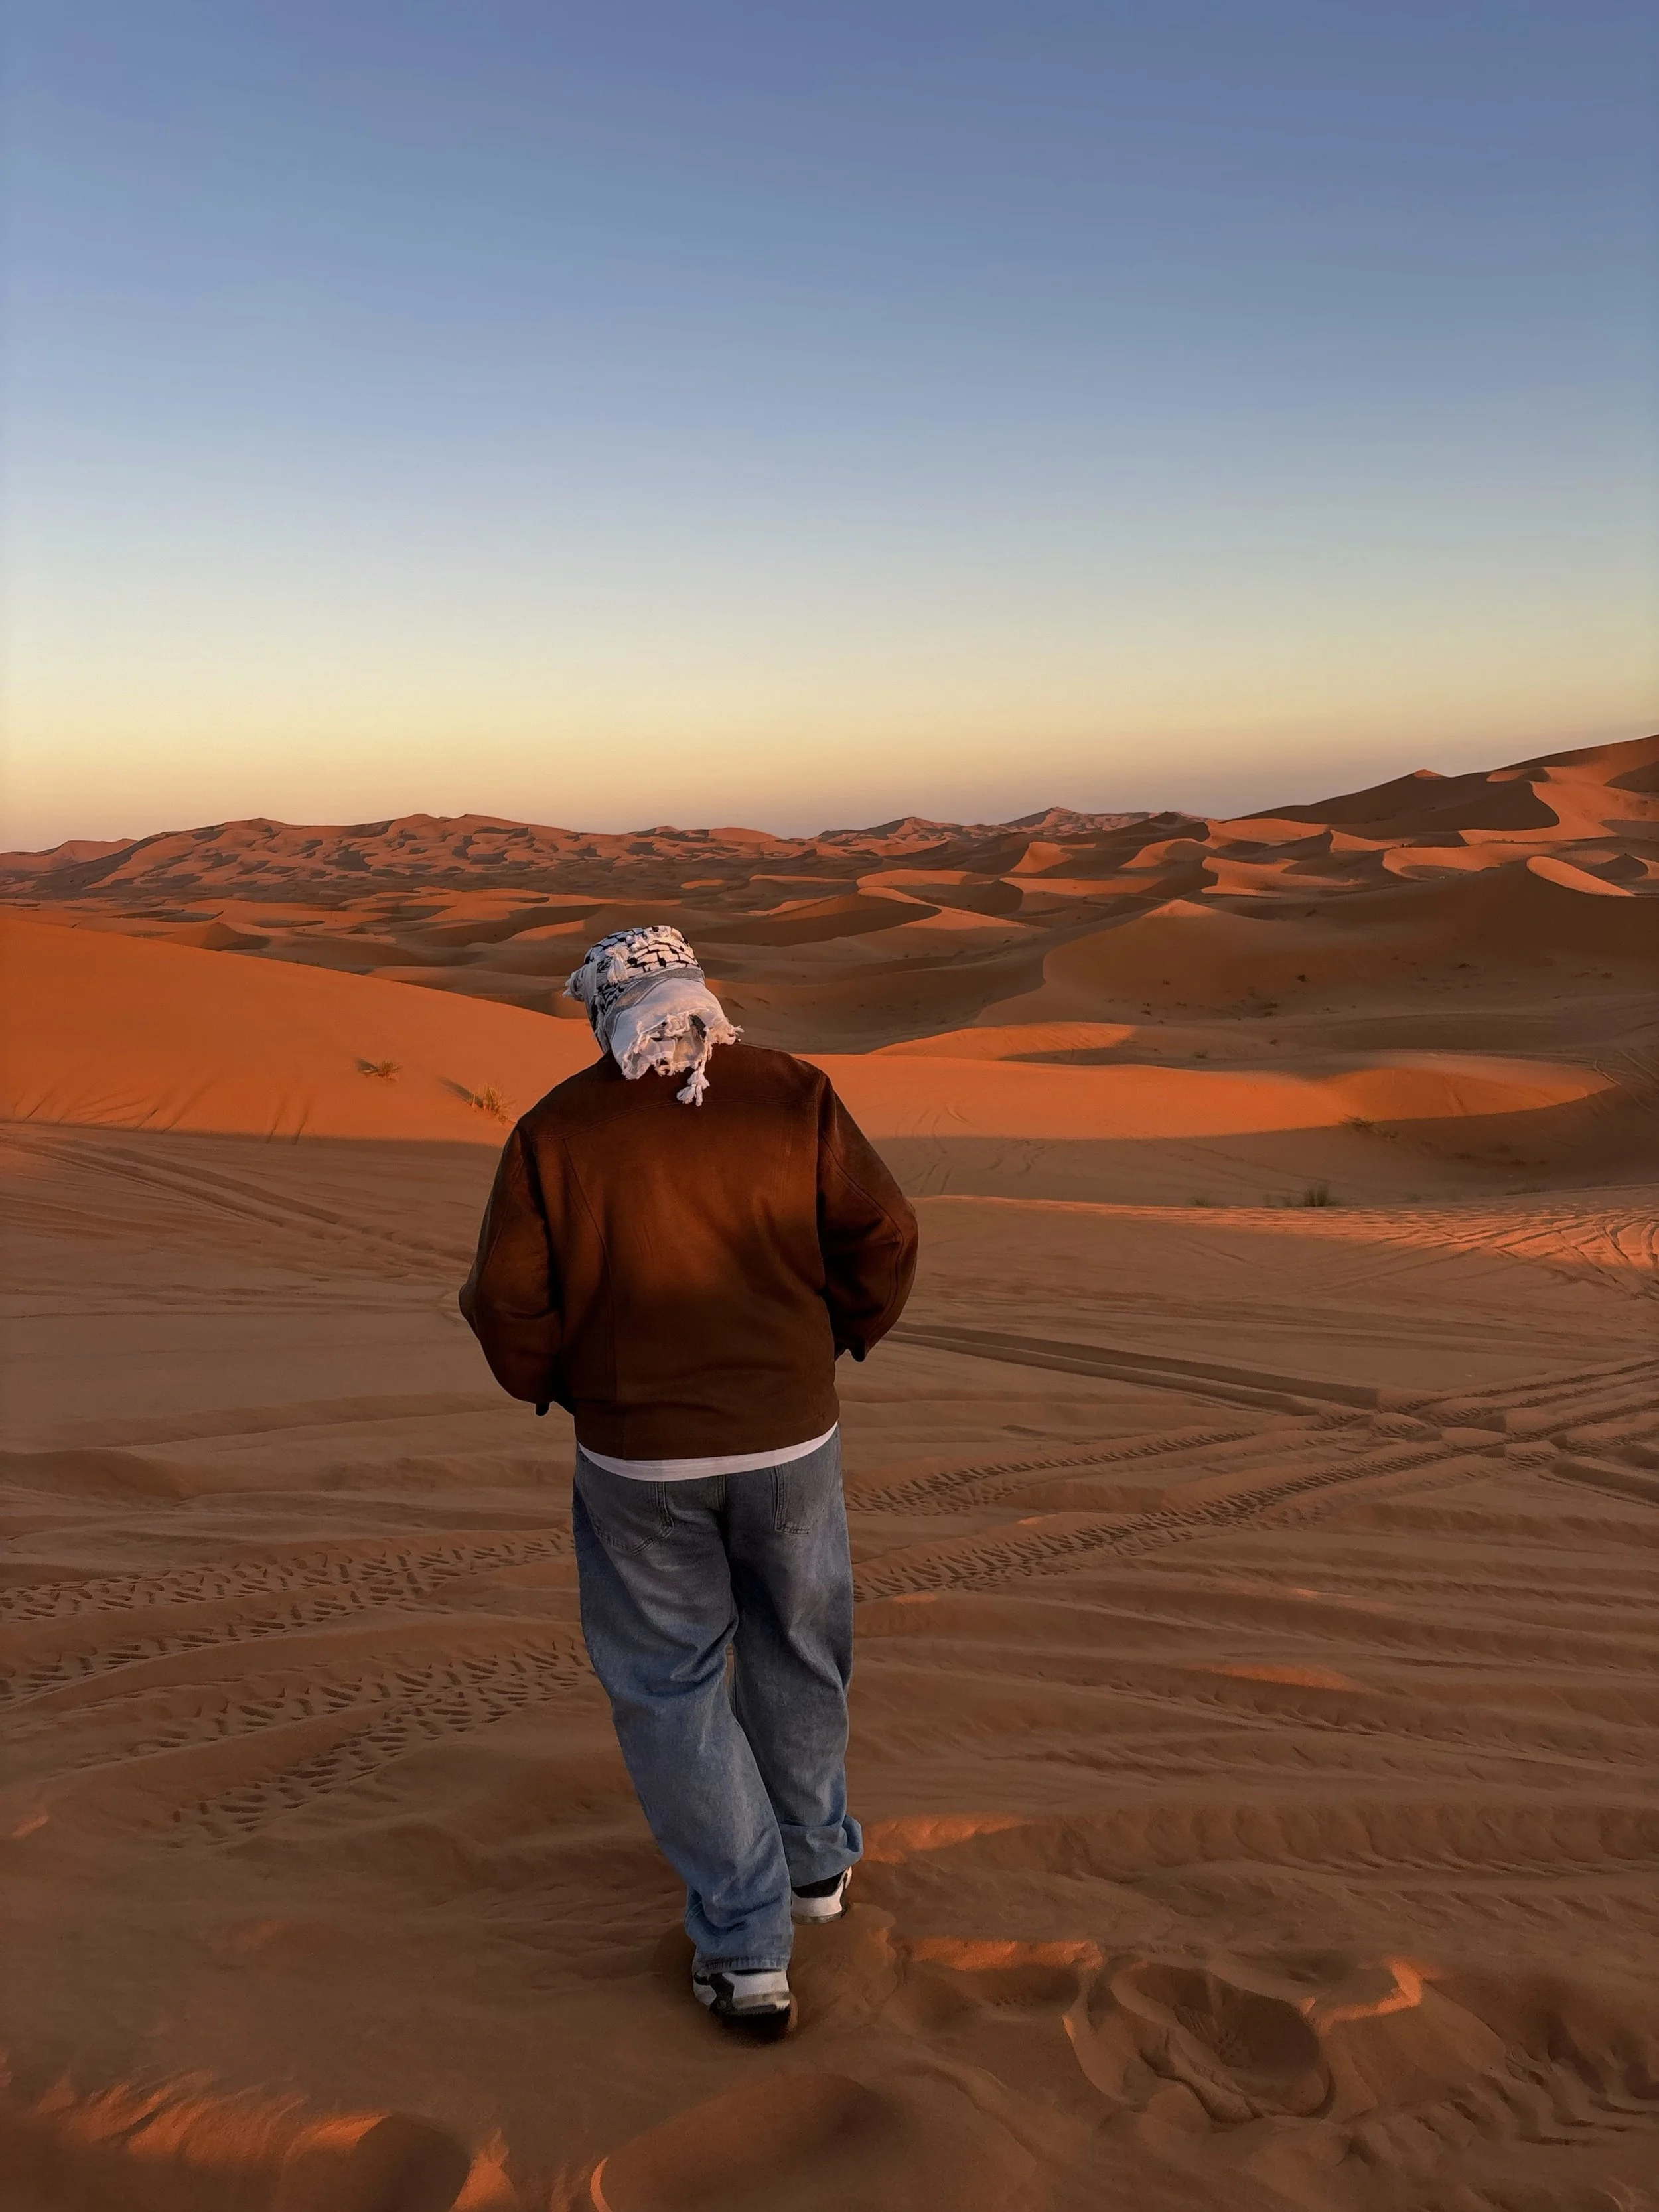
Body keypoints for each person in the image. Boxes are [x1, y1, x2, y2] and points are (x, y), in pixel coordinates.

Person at [459, 924, 918, 2041]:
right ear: (702, 996)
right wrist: (834, 1339)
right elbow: (884, 1235)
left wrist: (572, 1387)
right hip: (790, 1437)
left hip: (638, 1456)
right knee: (800, 1642)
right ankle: (814, 1871)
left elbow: (506, 1299)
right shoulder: (794, 1095)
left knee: (670, 1684)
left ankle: (748, 1945)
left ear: (603, 1011)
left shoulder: (557, 1130)